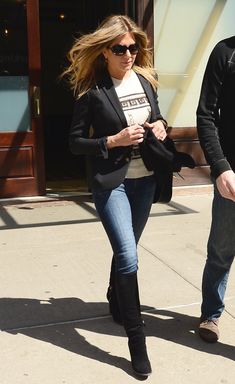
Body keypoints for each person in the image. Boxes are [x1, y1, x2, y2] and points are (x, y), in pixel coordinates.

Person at [63, 14, 169, 376]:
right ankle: (137, 344)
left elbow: (159, 117)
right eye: (120, 49)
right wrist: (113, 140)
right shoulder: (92, 91)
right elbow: (75, 144)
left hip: (146, 180)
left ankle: (115, 295)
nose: (129, 54)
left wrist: (160, 127)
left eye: (133, 47)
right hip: (113, 182)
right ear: (104, 52)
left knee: (128, 250)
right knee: (127, 255)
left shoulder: (145, 80)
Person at [196, 36, 235, 343]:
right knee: (221, 251)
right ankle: (211, 313)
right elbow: (206, 114)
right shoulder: (226, 52)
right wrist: (220, 167)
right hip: (232, 175)